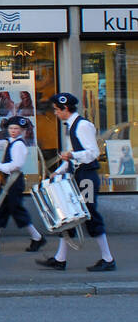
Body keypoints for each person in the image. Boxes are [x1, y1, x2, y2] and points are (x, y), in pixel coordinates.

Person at [38, 92, 116, 272]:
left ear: (65, 108)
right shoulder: (72, 125)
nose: (55, 113)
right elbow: (75, 154)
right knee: (69, 215)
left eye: (57, 110)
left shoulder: (82, 126)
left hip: (87, 176)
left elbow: (92, 152)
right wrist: (58, 171)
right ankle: (60, 258)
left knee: (90, 214)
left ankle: (108, 258)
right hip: (79, 175)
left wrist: (72, 155)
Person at [0, 115, 45, 252]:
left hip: (14, 181)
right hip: (7, 181)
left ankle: (37, 237)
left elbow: (16, 164)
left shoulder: (19, 145)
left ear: (21, 130)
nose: (13, 130)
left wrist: (1, 167)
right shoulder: (8, 142)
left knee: (16, 210)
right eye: (11, 128)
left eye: (16, 128)